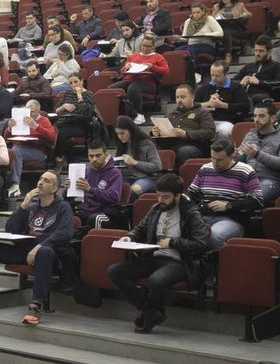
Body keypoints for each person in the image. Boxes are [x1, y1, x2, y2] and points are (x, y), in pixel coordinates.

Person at [0, 171, 74, 324]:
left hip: (49, 254)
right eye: (40, 179)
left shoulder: (63, 208)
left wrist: (40, 246)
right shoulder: (32, 208)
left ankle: (36, 305)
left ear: (54, 188)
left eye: (46, 181)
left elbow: (65, 233)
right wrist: (23, 206)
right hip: (26, 250)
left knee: (45, 252)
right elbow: (11, 229)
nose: (40, 182)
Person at [107, 173, 210, 334]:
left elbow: (202, 244)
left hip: (179, 261)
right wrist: (129, 237)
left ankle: (149, 315)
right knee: (114, 271)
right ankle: (150, 311)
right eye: (159, 196)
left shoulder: (191, 213)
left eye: (166, 197)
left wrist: (172, 242)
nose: (161, 200)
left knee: (155, 281)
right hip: (154, 257)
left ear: (177, 196)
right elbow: (140, 228)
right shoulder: (156, 208)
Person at [187, 137, 263, 250]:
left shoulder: (245, 171)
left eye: (220, 160)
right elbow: (191, 194)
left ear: (232, 156)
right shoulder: (205, 169)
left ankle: (217, 266)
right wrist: (185, 197)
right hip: (203, 215)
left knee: (215, 235)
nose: (215, 163)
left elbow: (257, 201)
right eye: (212, 158)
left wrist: (228, 206)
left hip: (231, 219)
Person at [236, 102, 280, 204]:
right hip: (247, 178)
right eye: (255, 116)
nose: (256, 119)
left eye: (261, 116)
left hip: (271, 180)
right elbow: (240, 162)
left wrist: (257, 154)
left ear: (273, 118)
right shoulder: (250, 135)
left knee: (253, 198)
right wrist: (234, 157)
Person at [110, 34, 168, 125]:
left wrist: (153, 67)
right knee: (111, 89)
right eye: (143, 45)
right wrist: (126, 67)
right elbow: (122, 71)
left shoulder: (158, 57)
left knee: (133, 88)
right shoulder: (133, 56)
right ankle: (116, 115)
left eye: (148, 46)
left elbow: (165, 70)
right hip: (130, 79)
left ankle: (140, 114)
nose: (145, 48)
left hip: (147, 82)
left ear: (153, 47)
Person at [151, 84, 215, 164]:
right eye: (177, 97)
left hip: (193, 145)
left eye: (182, 97)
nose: (179, 100)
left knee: (184, 151)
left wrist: (186, 134)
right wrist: (156, 133)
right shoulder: (171, 115)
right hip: (170, 144)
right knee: (148, 147)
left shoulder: (202, 113)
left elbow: (210, 132)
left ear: (192, 97)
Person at [4, 99, 56, 198]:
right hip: (20, 148)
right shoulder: (21, 120)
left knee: (16, 151)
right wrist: (10, 128)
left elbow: (52, 136)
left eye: (33, 112)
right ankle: (5, 186)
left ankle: (15, 184)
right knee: (8, 152)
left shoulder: (43, 120)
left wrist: (36, 126)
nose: (30, 114)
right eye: (28, 111)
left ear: (38, 111)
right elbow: (6, 136)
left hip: (38, 152)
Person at [72, 141, 124, 231]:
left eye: (98, 155)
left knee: (95, 219)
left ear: (106, 155)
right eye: (91, 156)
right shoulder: (85, 171)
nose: (94, 159)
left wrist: (90, 189)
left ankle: (94, 244)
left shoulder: (115, 173)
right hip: (85, 210)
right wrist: (68, 188)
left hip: (106, 213)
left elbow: (114, 197)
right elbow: (71, 197)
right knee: (65, 214)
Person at [196, 60, 250, 139]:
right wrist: (208, 104)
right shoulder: (204, 88)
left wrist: (222, 105)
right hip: (206, 121)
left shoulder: (236, 88)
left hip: (227, 121)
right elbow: (193, 105)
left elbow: (245, 106)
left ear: (226, 74)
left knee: (223, 131)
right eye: (212, 75)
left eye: (217, 76)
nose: (214, 78)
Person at [114, 115, 161, 197]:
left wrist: (135, 162)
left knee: (133, 190)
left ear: (131, 131)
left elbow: (157, 166)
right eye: (117, 134)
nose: (120, 136)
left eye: (122, 133)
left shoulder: (146, 143)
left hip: (146, 178)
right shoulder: (121, 145)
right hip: (125, 178)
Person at [235, 37, 280, 104]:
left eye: (261, 51)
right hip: (246, 95)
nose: (257, 54)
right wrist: (240, 82)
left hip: (265, 95)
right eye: (255, 50)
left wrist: (259, 82)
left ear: (269, 52)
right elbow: (233, 80)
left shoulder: (276, 65)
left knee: (255, 98)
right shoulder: (249, 66)